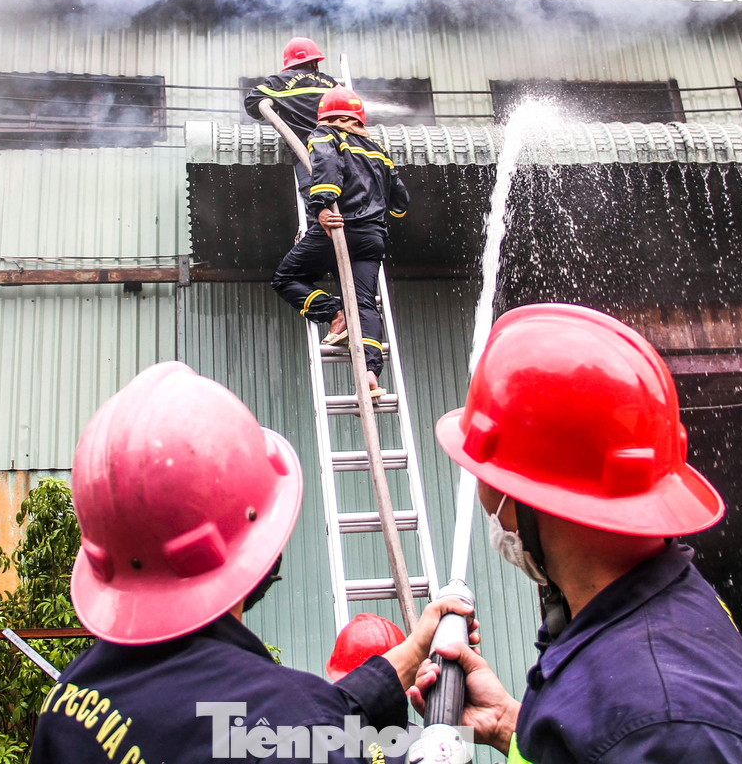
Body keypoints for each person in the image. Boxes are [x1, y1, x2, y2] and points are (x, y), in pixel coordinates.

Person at [30, 361, 473, 764]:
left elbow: (284, 718)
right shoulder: (291, 727)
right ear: (258, 548)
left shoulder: (70, 698)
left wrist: (415, 649)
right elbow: (297, 726)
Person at [409, 304, 742, 764]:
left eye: (486, 474)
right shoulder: (635, 626)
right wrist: (512, 723)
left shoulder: (669, 730)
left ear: (523, 501)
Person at [270, 87, 410, 396]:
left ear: (325, 115)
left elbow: (327, 166)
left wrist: (321, 207)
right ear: (359, 117)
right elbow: (401, 202)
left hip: (337, 228)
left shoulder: (325, 133)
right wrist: (382, 212)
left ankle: (333, 312)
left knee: (285, 278)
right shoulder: (377, 149)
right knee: (364, 303)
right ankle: (371, 373)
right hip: (372, 238)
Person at [243, 37, 341, 155]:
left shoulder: (280, 82)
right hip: (339, 149)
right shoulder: (332, 83)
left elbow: (251, 102)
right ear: (315, 61)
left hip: (306, 152)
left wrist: (276, 103)